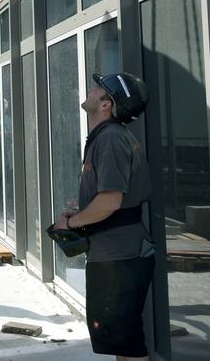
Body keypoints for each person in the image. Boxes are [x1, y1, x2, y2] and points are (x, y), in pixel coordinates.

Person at [53, 72, 153, 361]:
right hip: (116, 254)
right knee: (121, 341)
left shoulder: (110, 139)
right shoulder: (106, 137)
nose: (91, 88)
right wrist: (81, 210)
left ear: (106, 104)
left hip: (120, 257)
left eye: (98, 87)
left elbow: (110, 201)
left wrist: (71, 223)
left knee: (128, 344)